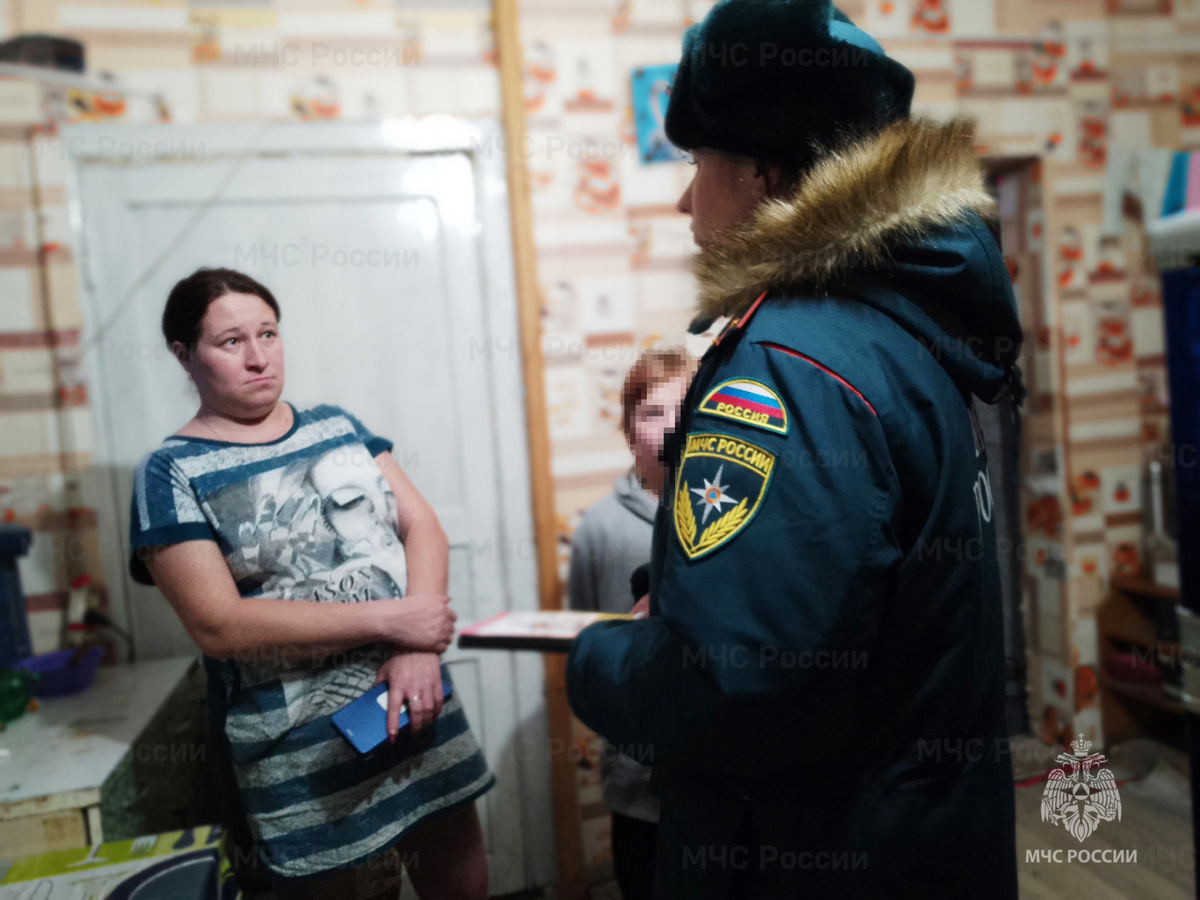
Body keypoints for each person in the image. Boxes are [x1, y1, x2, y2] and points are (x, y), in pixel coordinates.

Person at [566, 2, 1023, 897]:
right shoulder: (903, 334)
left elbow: (733, 692)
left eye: (698, 163)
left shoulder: (786, 368)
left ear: (768, 176)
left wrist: (597, 658)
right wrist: (700, 599)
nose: (685, 200)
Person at [128, 267, 493, 900]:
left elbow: (422, 526)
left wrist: (415, 647)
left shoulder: (336, 425)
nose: (258, 356)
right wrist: (393, 620)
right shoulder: (169, 472)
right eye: (231, 342)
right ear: (184, 356)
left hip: (413, 696)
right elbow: (218, 625)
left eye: (268, 333)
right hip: (299, 748)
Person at [567, 349, 694, 900]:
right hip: (634, 778)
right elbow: (586, 637)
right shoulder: (600, 529)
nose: (670, 425)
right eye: (652, 413)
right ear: (627, 431)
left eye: (684, 408)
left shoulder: (724, 513)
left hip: (711, 774)